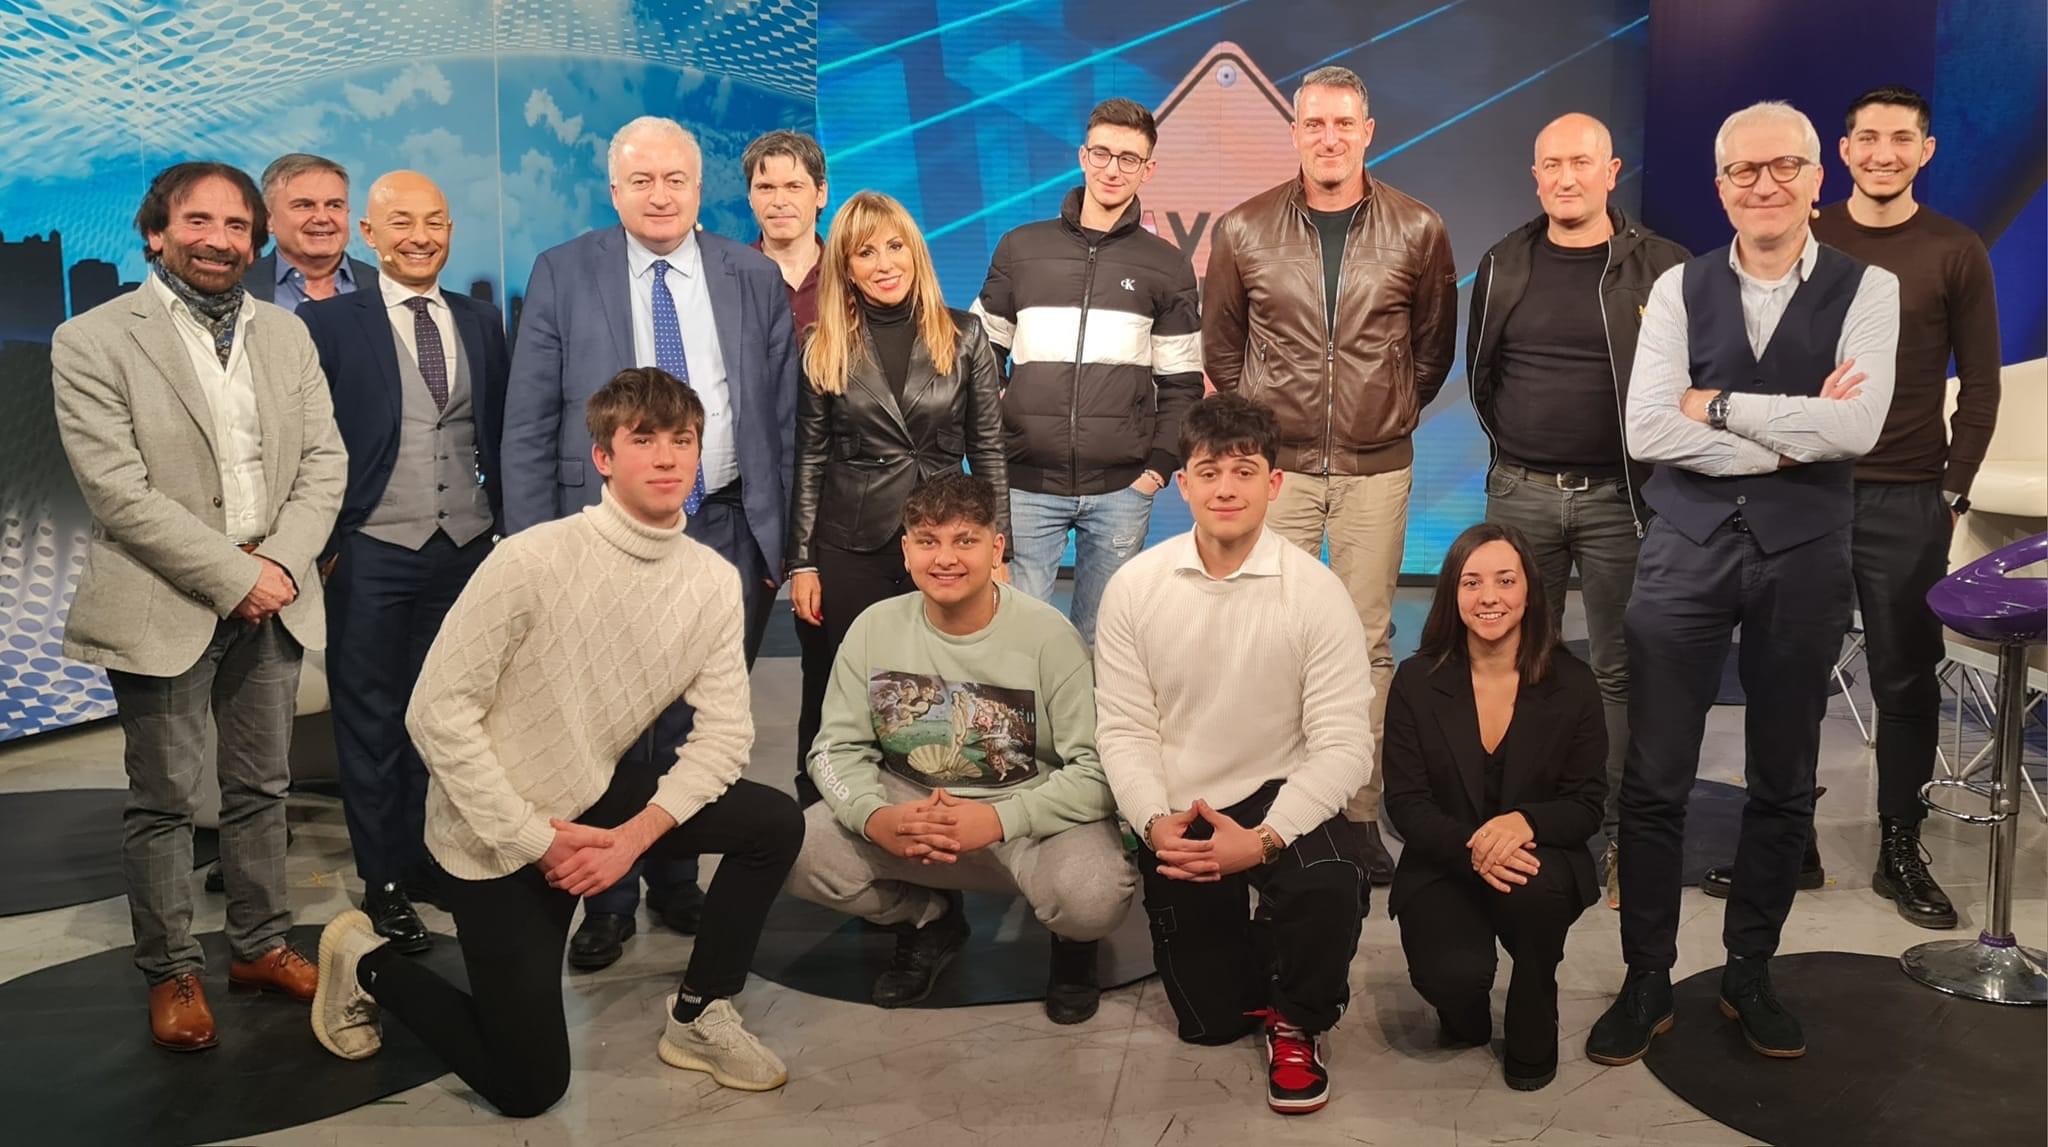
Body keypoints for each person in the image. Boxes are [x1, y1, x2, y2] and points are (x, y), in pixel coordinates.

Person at [311, 368, 803, 1117]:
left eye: (683, 440)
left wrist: (631, 840)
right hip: (493, 826)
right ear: (603, 456)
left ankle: (700, 1011)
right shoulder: (531, 559)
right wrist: (534, 839)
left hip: (593, 793)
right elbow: (435, 714)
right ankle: (363, 962)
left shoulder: (710, 579)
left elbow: (726, 735)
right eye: (644, 439)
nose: (667, 457)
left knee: (772, 823)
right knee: (528, 1087)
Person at [1587, 101, 1900, 1066]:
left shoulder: (1870, 288)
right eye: (1743, 171)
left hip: (1805, 555)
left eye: (1783, 167)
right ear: (1721, 186)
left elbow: (1857, 429)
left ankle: (1749, 970)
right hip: (1684, 547)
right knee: (1653, 777)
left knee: (1783, 775)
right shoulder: (1678, 288)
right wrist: (1792, 435)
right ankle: (1647, 975)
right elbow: (1648, 427)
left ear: (1817, 177)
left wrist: (1716, 406)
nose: (1764, 185)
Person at [50, 162, 347, 1050]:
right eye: (198, 221)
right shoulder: (91, 339)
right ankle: (172, 970)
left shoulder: (287, 335)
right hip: (165, 599)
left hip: (275, 592)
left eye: (236, 225)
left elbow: (324, 462)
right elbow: (118, 491)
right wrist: (234, 575)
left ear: (256, 242)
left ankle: (260, 945)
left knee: (261, 787)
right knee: (167, 800)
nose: (219, 240)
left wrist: (279, 565)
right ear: (156, 232)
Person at [499, 115, 800, 968]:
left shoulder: (751, 274)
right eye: (642, 180)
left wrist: (784, 539)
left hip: (727, 524)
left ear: (700, 189)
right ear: (614, 190)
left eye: (675, 179)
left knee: (698, 716)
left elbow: (782, 416)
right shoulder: (564, 271)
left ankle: (675, 875)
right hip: (604, 533)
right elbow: (529, 420)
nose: (660, 195)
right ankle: (608, 896)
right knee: (611, 721)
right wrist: (538, 549)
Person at [1701, 85, 2001, 930]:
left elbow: (1980, 384)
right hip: (1806, 487)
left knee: (1905, 679)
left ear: (1925, 151)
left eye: (1901, 139)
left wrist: (1952, 490)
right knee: (1787, 672)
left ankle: (1901, 846)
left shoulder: (1956, 250)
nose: (1883, 153)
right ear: (1843, 151)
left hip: (1909, 495)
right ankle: (1786, 841)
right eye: (1868, 138)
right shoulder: (1807, 234)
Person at [1202, 65, 1457, 886]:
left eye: (1344, 123)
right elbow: (1223, 349)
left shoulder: (1418, 228)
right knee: (1260, 637)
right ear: (1295, 132)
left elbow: (1432, 350)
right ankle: (1261, 806)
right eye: (1314, 123)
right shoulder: (1244, 229)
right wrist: (1263, 438)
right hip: (1276, 474)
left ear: (1368, 131)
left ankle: (1354, 812)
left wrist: (1385, 412)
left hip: (1374, 471)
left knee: (1365, 644)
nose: (1329, 138)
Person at [1094, 393, 1371, 1116]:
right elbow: (1123, 729)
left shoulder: (1316, 592)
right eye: (1209, 472)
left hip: (1279, 791)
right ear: (1182, 485)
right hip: (1181, 802)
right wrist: (1151, 821)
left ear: (1273, 484)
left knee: (1332, 880)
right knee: (1210, 1022)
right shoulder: (1135, 588)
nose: (1225, 488)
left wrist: (1265, 839)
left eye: (1244, 472)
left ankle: (1299, 1019)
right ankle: (1262, 950)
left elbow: (1345, 745)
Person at [790, 472, 1135, 1022]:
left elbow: (1097, 772)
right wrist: (873, 815)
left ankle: (1071, 945)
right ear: (906, 551)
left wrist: (998, 820)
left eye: (964, 540)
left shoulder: (1049, 637)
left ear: (996, 549)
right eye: (928, 541)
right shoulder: (872, 628)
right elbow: (833, 749)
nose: (945, 558)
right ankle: (928, 918)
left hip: (1024, 824)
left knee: (1092, 896)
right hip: (912, 817)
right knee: (791, 847)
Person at [1467, 113, 1689, 909]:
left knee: (1618, 670)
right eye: (1551, 164)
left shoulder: (1663, 266)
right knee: (1513, 659)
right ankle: (1515, 825)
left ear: (1611, 171)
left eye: (1581, 163)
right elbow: (1483, 374)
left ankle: (1619, 833)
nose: (1566, 177)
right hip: (1521, 493)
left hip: (1620, 501)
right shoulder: (1503, 262)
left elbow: (1687, 380)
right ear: (1536, 176)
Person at [298, 171, 510, 950]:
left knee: (445, 714)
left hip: (467, 550)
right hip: (373, 551)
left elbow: (497, 432)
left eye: (435, 220)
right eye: (402, 222)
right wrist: (328, 547)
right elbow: (306, 444)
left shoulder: (481, 320)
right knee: (372, 722)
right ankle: (383, 878)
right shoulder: (329, 324)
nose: (421, 236)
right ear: (369, 234)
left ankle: (429, 859)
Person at [787, 190, 1008, 805]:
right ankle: (821, 814)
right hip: (849, 542)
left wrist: (996, 548)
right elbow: (810, 459)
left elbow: (989, 449)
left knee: (937, 692)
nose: (884, 263)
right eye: (865, 252)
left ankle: (934, 820)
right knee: (835, 684)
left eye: (894, 246)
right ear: (846, 267)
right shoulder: (821, 344)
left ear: (915, 252)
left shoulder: (964, 335)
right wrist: (802, 562)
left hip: (942, 542)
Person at [970, 96, 1204, 646]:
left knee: (1103, 641)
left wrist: (1156, 470)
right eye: (1101, 153)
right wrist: (999, 435)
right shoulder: (1020, 248)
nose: (1112, 169)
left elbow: (1182, 383)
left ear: (1148, 169)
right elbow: (978, 356)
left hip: (1122, 488)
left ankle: (1091, 713)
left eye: (1128, 158)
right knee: (1015, 638)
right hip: (1025, 483)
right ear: (1082, 156)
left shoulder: (1168, 265)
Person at [1383, 523, 1606, 1091]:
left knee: (1536, 893)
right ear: (1451, 595)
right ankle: (1465, 1006)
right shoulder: (1416, 680)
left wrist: (1525, 821)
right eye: (1471, 582)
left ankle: (1537, 990)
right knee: (1451, 979)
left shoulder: (1574, 683)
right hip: (1445, 854)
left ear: (1529, 590)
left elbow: (1586, 803)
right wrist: (1476, 848)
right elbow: (1405, 803)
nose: (1489, 597)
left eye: (1506, 581)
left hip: (1536, 855)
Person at [244, 153, 378, 311]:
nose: (322, 218)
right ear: (268, 219)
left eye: (334, 205)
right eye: (304, 205)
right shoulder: (239, 285)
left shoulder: (382, 285)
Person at [744, 129, 826, 333]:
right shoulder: (729, 278)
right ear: (749, 197)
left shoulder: (849, 276)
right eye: (765, 188)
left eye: (794, 187)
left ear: (821, 194)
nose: (779, 201)